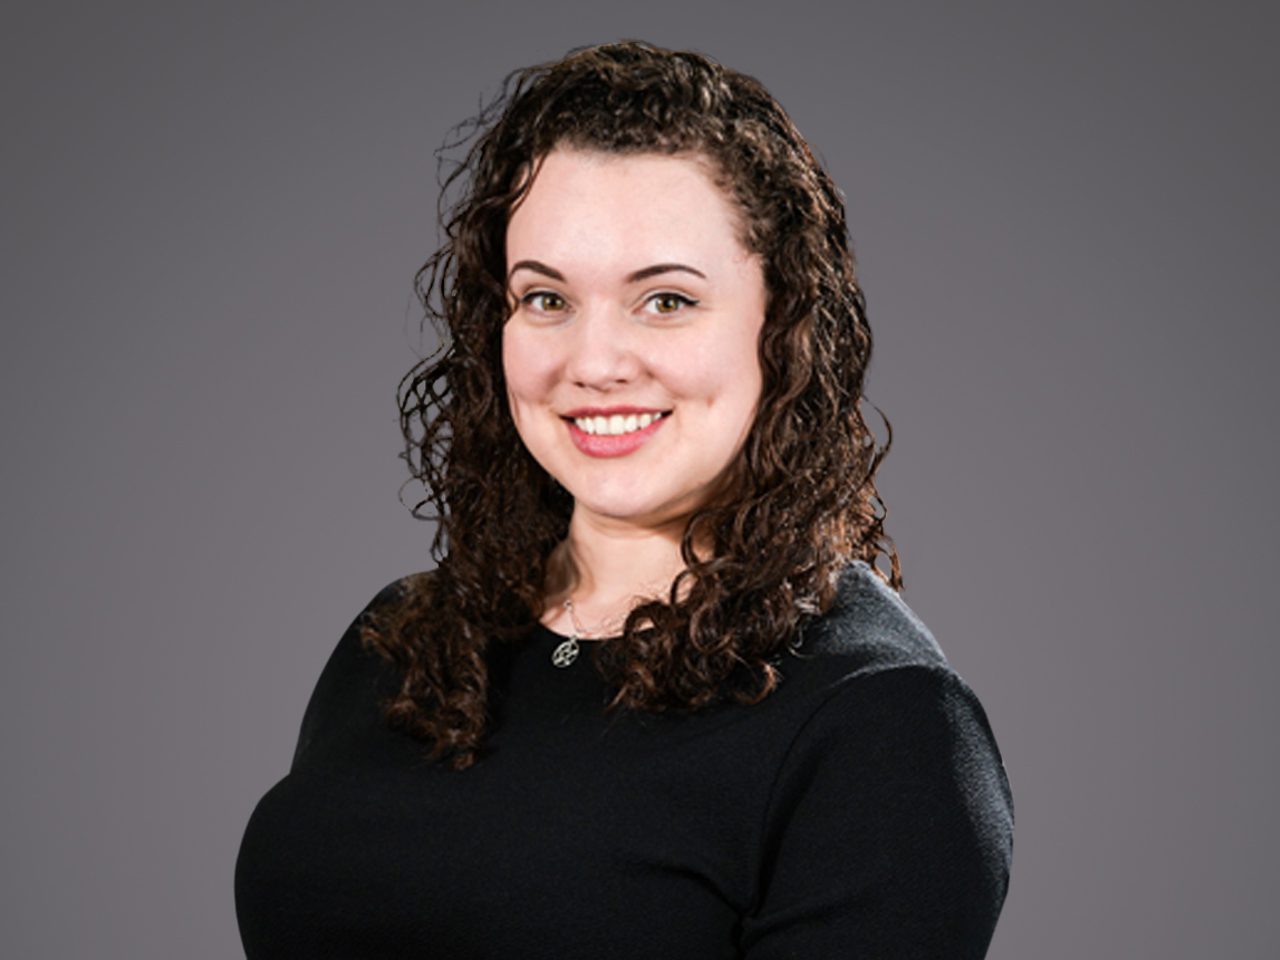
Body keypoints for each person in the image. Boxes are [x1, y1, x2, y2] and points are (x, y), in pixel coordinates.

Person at [235, 40, 1014, 958]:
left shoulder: (881, 722)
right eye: (546, 299)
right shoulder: (402, 641)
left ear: (786, 327)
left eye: (667, 301)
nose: (594, 363)